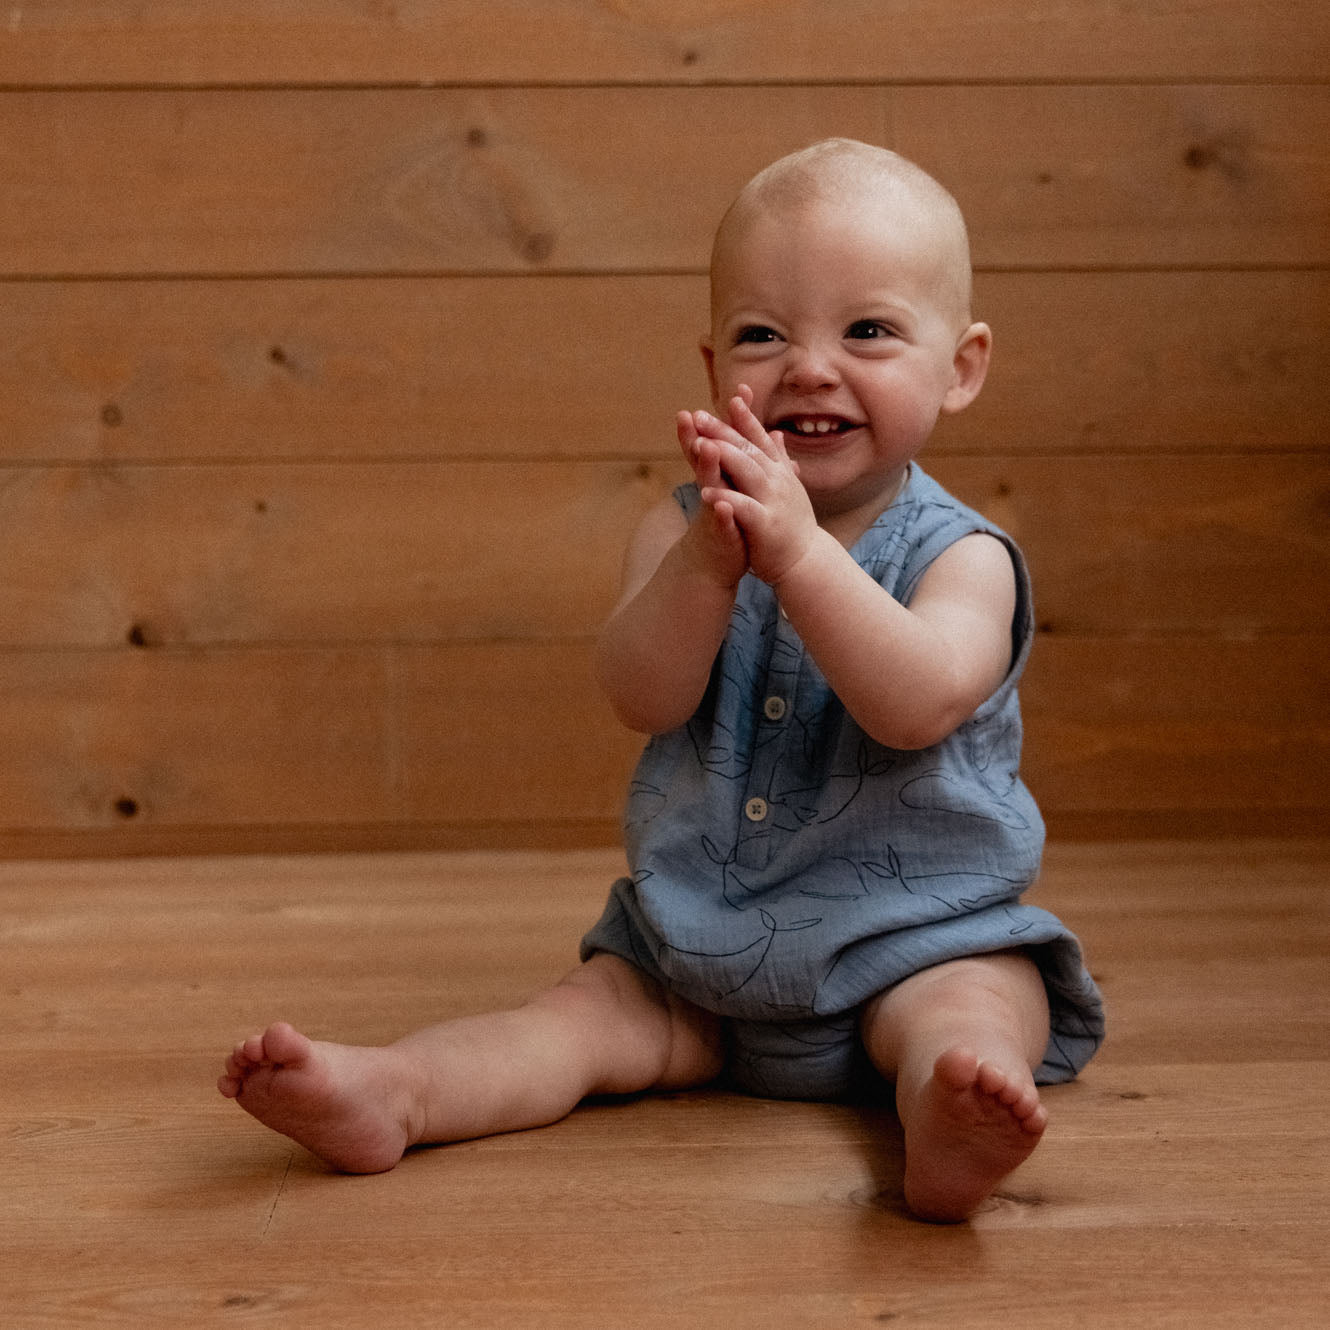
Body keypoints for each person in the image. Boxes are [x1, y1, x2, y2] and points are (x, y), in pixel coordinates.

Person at [218, 138, 1104, 1223]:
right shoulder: (683, 531)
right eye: (762, 333)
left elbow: (915, 698)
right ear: (711, 370)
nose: (810, 368)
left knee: (977, 1008)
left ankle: (944, 1118)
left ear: (959, 367)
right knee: (576, 1018)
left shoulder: (964, 557)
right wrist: (707, 568)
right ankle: (398, 1090)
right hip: (697, 957)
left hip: (914, 943)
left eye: (866, 330)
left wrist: (799, 556)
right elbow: (641, 694)